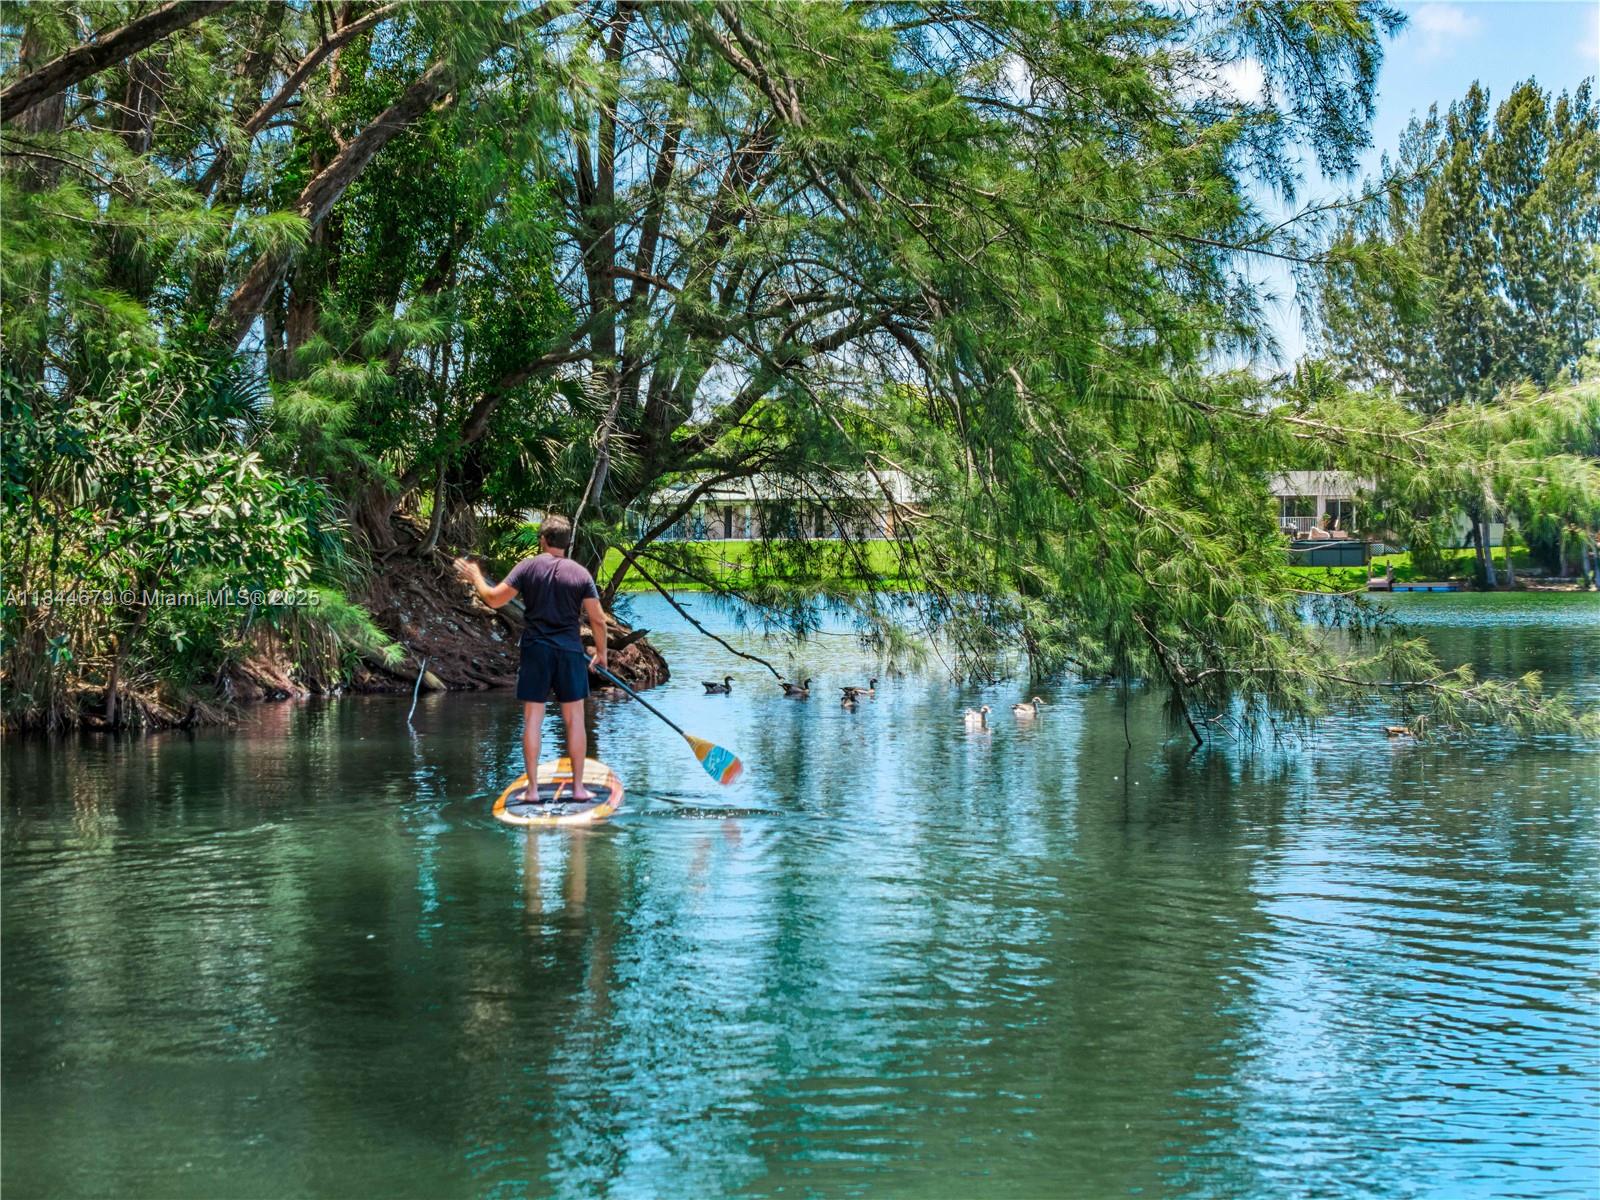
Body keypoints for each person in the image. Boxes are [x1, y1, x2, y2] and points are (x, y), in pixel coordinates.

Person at [454, 515, 608, 802]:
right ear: (568, 543)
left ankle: (533, 791)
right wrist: (602, 653)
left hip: (536, 649)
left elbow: (494, 599)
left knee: (533, 720)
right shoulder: (580, 573)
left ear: (542, 540)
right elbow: (598, 620)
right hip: (569, 651)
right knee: (575, 720)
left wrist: (475, 576)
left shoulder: (527, 567)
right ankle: (578, 789)